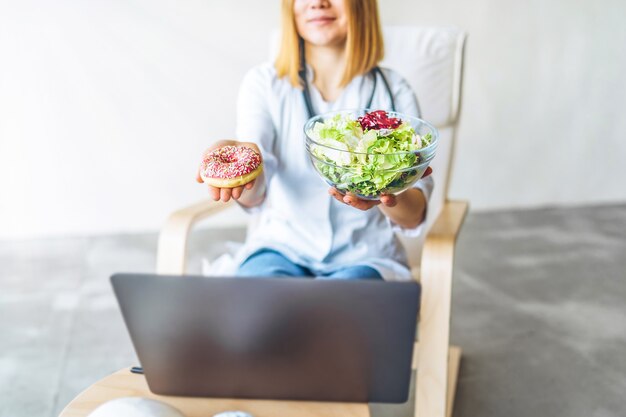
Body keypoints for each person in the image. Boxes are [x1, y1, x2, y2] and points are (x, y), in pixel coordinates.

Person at [196, 0, 433, 281]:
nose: (318, 3)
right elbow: (255, 195)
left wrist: (387, 190)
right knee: (260, 303)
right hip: (280, 249)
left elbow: (414, 215)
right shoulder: (263, 84)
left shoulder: (395, 91)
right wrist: (243, 172)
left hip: (365, 257)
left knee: (337, 308)